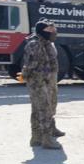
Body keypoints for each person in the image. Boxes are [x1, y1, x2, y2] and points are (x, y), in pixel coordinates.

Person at [23, 18, 64, 149]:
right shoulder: (35, 44)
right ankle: (44, 139)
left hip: (47, 80)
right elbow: (31, 65)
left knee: (48, 106)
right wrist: (29, 75)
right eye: (50, 30)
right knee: (42, 109)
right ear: (42, 31)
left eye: (54, 29)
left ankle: (41, 135)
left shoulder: (46, 42)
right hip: (38, 82)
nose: (54, 32)